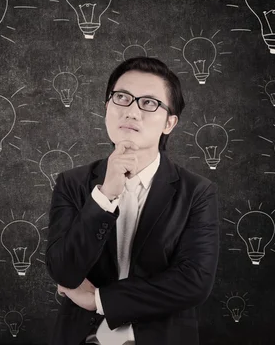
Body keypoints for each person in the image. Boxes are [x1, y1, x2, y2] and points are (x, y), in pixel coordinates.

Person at [45, 57, 219, 345]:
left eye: (149, 103)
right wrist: (104, 195)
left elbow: (193, 282)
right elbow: (63, 270)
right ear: (107, 109)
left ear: (169, 123)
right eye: (122, 98)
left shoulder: (197, 191)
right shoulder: (72, 183)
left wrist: (99, 299)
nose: (132, 111)